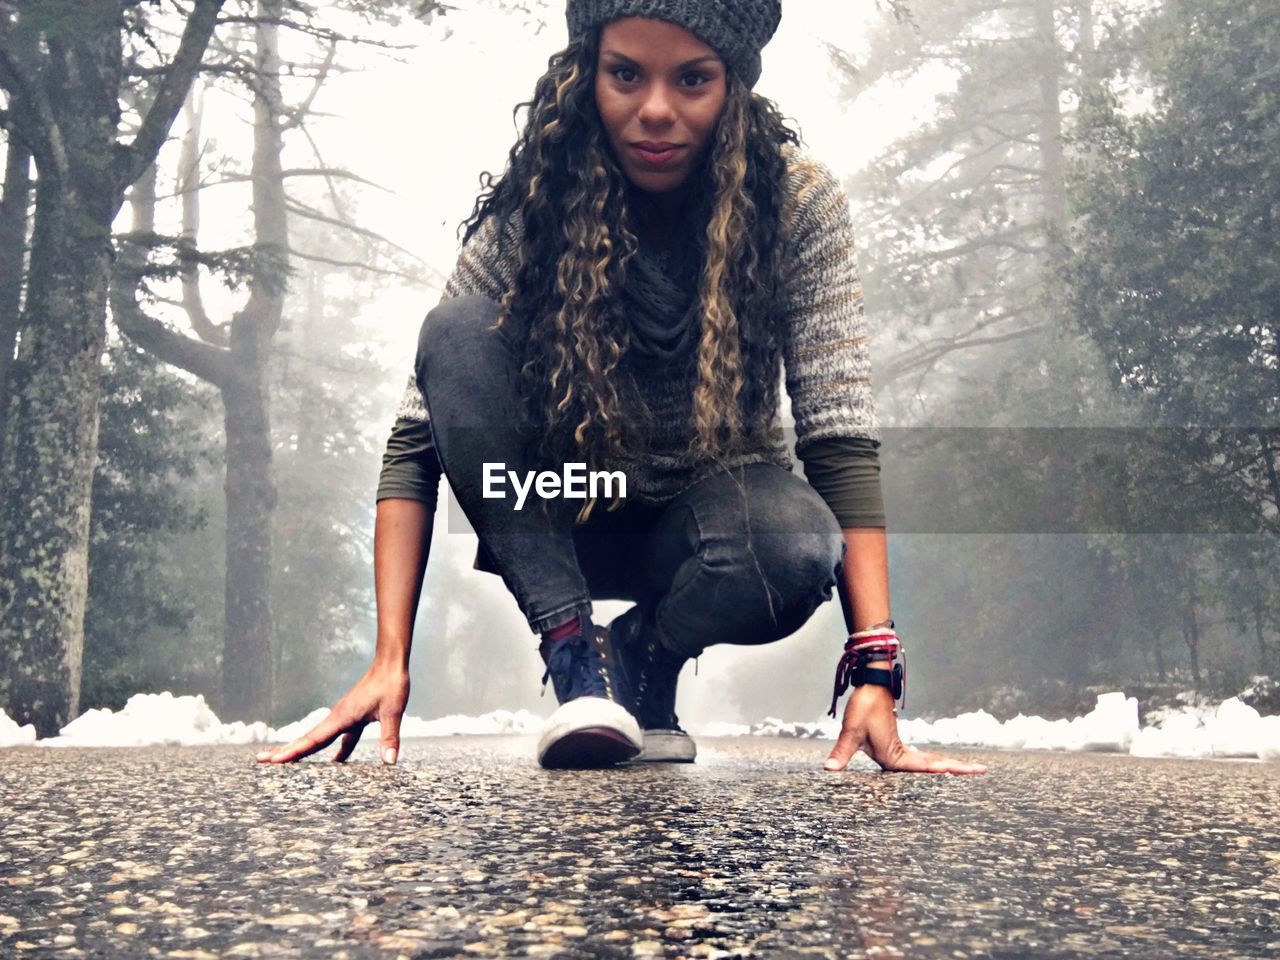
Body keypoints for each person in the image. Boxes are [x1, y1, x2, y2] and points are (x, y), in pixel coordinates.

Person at [257, 0, 986, 775]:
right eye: (626, 75)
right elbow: (418, 437)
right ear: (586, 73)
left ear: (733, 85)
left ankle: (641, 653)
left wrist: (875, 667)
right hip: (563, 512)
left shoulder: (797, 205)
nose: (657, 110)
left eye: (693, 80)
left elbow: (837, 436)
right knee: (455, 330)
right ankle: (576, 658)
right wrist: (389, 658)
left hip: (712, 531)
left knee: (796, 543)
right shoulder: (538, 197)